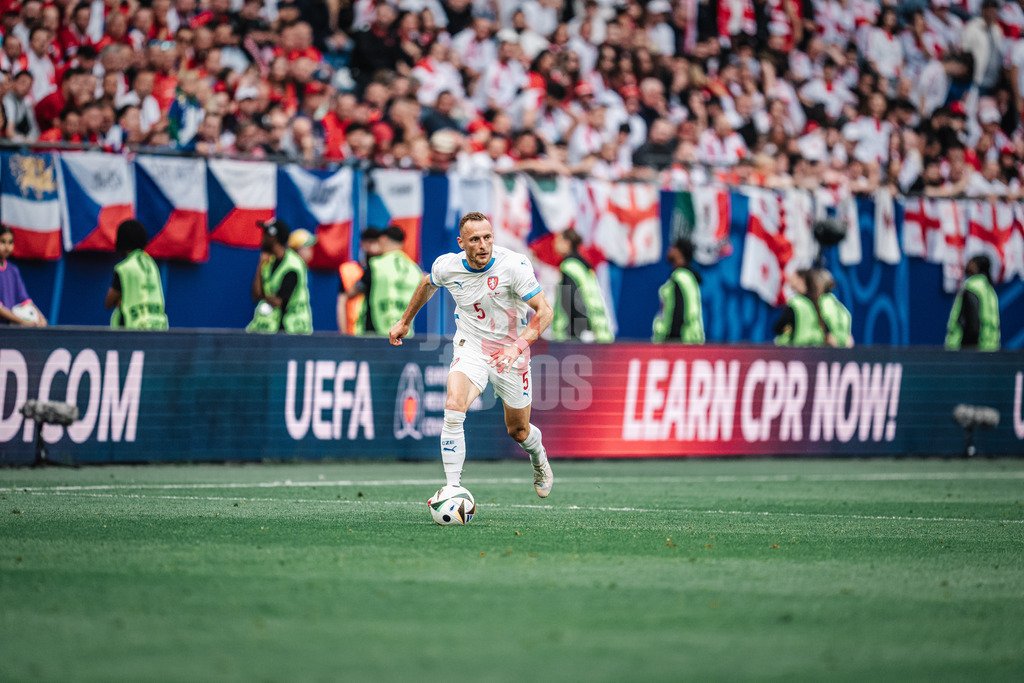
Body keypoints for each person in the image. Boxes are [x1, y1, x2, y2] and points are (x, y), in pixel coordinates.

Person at [388, 212, 555, 499]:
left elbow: (545, 312)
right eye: (475, 239)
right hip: (472, 346)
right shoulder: (448, 266)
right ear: (461, 243)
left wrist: (516, 347)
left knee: (518, 431)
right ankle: (453, 488)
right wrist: (406, 321)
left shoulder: (513, 266)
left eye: (487, 237)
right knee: (454, 406)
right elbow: (428, 283)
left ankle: (539, 458)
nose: (482, 245)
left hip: (511, 353)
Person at [353, 226, 423, 336]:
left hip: (374, 333)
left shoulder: (376, 265)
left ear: (383, 239)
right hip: (404, 334)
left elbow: (352, 292)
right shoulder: (414, 269)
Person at [247, 219, 313, 335]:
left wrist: (265, 297)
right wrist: (260, 265)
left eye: (265, 235)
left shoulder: (293, 265)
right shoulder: (268, 261)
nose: (262, 238)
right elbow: (256, 295)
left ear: (273, 237)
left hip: (292, 331)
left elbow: (278, 302)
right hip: (271, 330)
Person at [551, 228, 613, 342]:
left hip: (575, 335)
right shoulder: (583, 267)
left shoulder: (568, 267)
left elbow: (571, 300)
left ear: (567, 243)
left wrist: (578, 330)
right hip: (595, 330)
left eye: (558, 241)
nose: (554, 244)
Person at [105, 219, 168, 330]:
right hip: (158, 326)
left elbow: (109, 302)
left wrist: (120, 297)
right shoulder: (152, 264)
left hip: (132, 329)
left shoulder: (125, 268)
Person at [773, 268, 852, 348]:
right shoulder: (833, 303)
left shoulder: (800, 302)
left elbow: (779, 327)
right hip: (823, 347)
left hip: (799, 348)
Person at [652, 237, 704, 344]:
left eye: (673, 247)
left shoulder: (680, 278)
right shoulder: (689, 278)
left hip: (680, 341)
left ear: (679, 253)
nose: (669, 250)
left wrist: (672, 340)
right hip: (689, 341)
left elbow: (679, 311)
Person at [946, 255, 1000, 350]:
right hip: (990, 347)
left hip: (971, 349)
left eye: (971, 262)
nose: (967, 264)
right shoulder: (989, 290)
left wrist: (968, 351)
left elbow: (973, 326)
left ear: (976, 267)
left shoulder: (972, 288)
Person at [337, 227, 383, 335]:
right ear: (363, 244)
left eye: (376, 242)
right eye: (370, 242)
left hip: (381, 330)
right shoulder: (348, 270)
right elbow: (342, 302)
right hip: (355, 330)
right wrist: (343, 334)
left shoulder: (385, 269)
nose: (373, 246)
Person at [0, 224, 47, 327]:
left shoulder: (13, 270)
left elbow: (24, 299)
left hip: (12, 331)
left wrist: (39, 317)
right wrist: (22, 321)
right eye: (3, 241)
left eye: (10, 242)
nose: (7, 246)